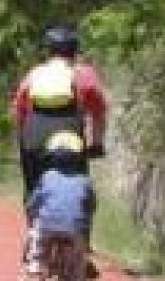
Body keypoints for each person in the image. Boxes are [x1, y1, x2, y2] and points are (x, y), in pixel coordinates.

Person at [10, 25, 108, 200]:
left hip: (34, 137)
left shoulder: (35, 74)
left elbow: (19, 113)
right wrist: (97, 144)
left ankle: (33, 213)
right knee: (79, 188)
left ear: (48, 52)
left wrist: (25, 147)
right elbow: (99, 112)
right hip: (70, 138)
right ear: (75, 51)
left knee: (32, 190)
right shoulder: (84, 74)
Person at [25, 144, 95, 281]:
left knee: (39, 237)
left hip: (47, 227)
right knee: (78, 259)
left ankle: (36, 261)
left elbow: (34, 202)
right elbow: (91, 206)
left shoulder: (47, 176)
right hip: (75, 228)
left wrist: (30, 213)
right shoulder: (85, 180)